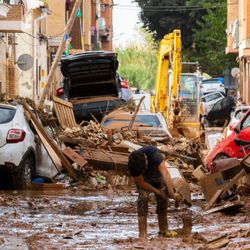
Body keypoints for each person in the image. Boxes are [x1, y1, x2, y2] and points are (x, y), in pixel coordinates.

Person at [128, 146, 182, 240]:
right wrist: (157, 191)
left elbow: (165, 174)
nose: (145, 169)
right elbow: (140, 182)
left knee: (162, 199)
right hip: (143, 180)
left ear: (146, 158)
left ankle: (164, 231)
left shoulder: (154, 154)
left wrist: (171, 194)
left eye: (145, 167)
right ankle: (142, 234)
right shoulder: (133, 165)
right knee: (143, 198)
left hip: (156, 175)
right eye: (143, 169)